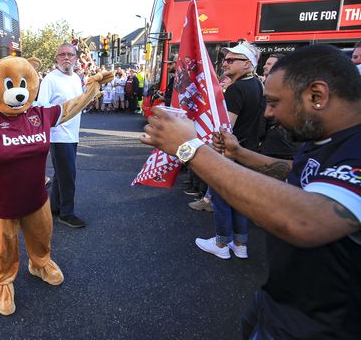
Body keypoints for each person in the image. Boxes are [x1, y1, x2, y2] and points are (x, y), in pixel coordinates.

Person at [141, 44, 361, 339]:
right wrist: (240, 154)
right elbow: (295, 170)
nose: (268, 113)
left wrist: (190, 149)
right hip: (280, 300)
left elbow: (307, 220)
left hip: (324, 325)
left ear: (316, 96)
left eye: (274, 102)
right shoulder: (326, 134)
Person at [196, 41, 264, 259]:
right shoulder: (257, 85)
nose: (225, 62)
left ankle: (221, 244)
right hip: (249, 152)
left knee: (222, 198)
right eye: (225, 59)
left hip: (231, 154)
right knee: (240, 199)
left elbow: (226, 130)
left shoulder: (236, 89)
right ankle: (240, 244)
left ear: (248, 64)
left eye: (232, 59)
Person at [38, 43, 86, 228]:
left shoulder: (76, 78)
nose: (66, 58)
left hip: (73, 134)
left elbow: (80, 102)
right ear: (57, 58)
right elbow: (42, 107)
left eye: (70, 55)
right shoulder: (50, 79)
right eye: (62, 55)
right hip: (58, 135)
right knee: (68, 175)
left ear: (75, 58)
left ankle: (55, 207)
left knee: (61, 174)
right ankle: (67, 213)